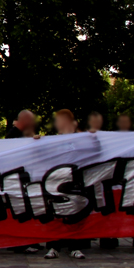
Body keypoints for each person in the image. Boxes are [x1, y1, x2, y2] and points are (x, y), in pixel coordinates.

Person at [44, 110, 87, 260]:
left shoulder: (81, 139)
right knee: (56, 216)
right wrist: (35, 141)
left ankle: (75, 246)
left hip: (74, 184)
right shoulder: (52, 141)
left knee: (74, 215)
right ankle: (53, 246)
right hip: (55, 183)